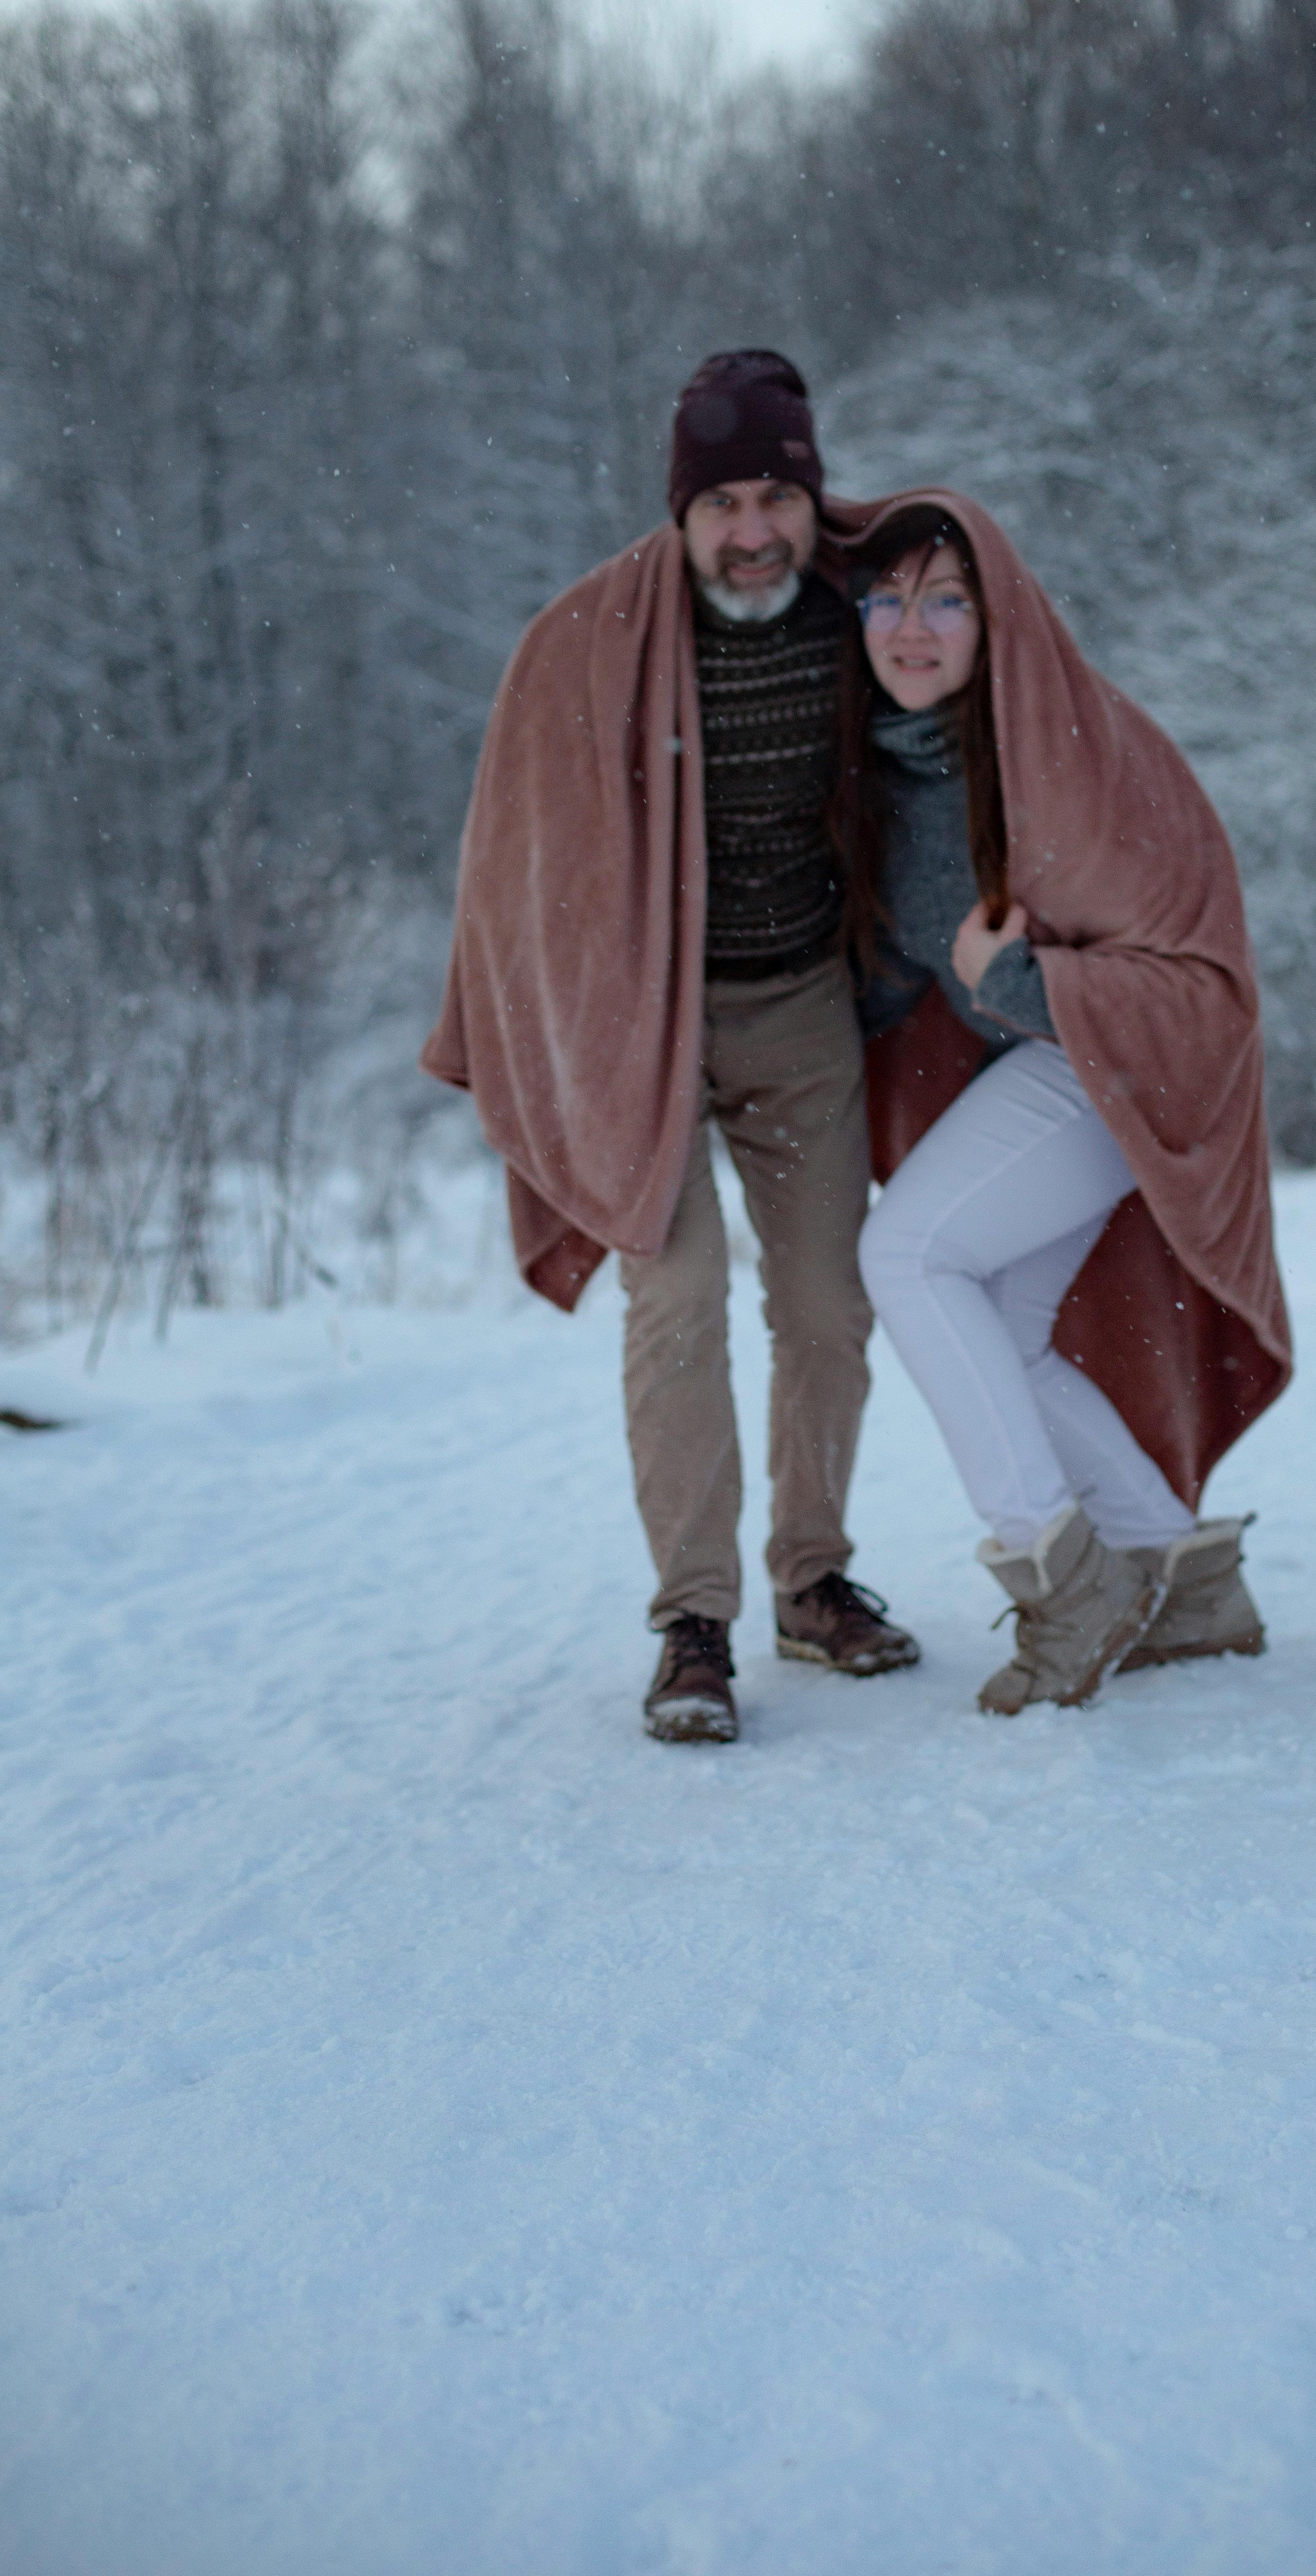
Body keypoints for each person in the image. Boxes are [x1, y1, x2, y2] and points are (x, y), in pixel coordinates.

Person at [421, 352, 919, 1747]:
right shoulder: (590, 641)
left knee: (828, 1303)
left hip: (805, 1000)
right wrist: (545, 1020)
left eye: (778, 496)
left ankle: (815, 1583)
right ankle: (693, 1624)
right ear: (679, 510)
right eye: (724, 503)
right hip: (640, 1021)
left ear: (810, 499)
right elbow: (515, 857)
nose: (753, 530)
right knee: (678, 1296)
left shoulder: (858, 611)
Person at [829, 497, 1292, 1714]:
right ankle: (1182, 1583)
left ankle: (1064, 1581)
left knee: (912, 1256)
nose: (909, 629)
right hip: (1049, 1070)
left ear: (999, 620)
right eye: (886, 600)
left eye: (944, 601)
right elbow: (889, 978)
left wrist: (1016, 981)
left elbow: (1191, 966)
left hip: (1120, 1070)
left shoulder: (1069, 753)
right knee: (1003, 1326)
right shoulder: (892, 765)